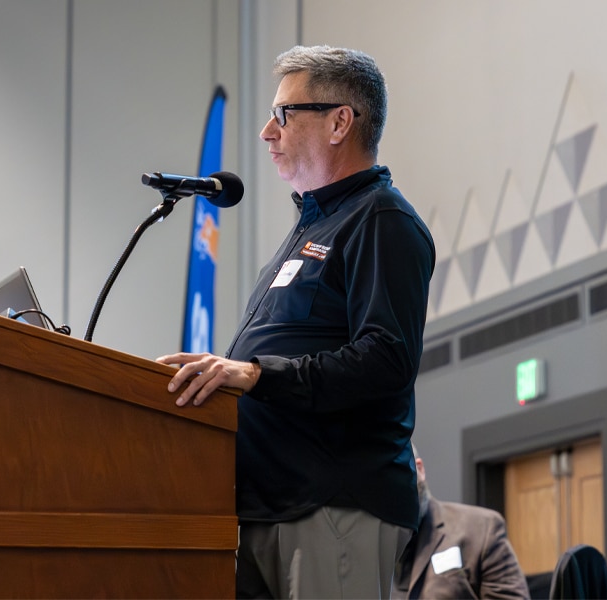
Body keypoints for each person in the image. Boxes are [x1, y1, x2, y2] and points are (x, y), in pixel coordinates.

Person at [157, 44, 436, 599]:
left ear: (340, 122)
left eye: (284, 114)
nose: (266, 131)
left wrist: (257, 374)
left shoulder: (382, 220)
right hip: (264, 505)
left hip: (333, 506)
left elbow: (386, 359)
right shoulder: (309, 229)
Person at [394, 446, 530, 599]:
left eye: (398, 476)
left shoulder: (481, 528)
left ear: (419, 469)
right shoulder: (370, 550)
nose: (394, 493)